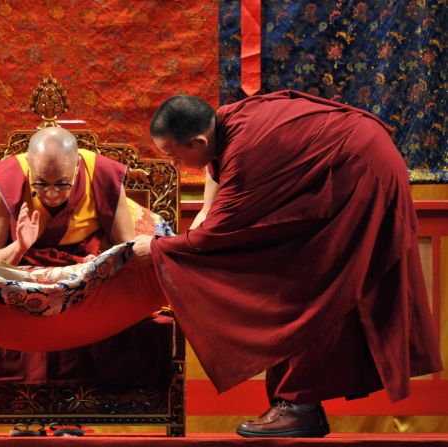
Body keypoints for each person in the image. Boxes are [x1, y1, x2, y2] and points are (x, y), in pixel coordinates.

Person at [133, 90, 442, 438]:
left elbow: (217, 236)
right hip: (352, 159)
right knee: (295, 277)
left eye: (174, 156)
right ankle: (297, 404)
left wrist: (158, 248)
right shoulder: (227, 123)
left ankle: (299, 406)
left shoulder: (248, 152)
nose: (175, 164)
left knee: (311, 282)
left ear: (199, 140)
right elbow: (214, 181)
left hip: (361, 172)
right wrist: (204, 210)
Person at [0, 126, 135, 266]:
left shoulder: (102, 174)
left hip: (87, 274)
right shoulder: (8, 178)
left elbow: (128, 251)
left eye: (62, 184)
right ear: (29, 164)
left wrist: (100, 264)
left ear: (77, 165)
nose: (52, 195)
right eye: (41, 184)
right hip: (22, 276)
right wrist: (19, 247)